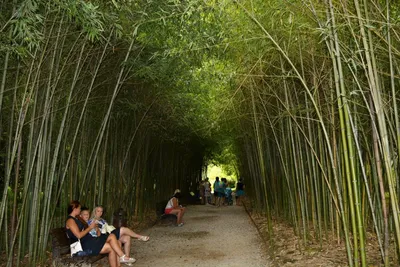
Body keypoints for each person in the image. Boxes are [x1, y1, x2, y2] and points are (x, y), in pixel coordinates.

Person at [65, 200, 135, 266]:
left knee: (112, 238)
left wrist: (96, 229)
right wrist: (90, 227)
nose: (80, 210)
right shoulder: (70, 220)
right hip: (84, 245)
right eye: (79, 208)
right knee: (111, 240)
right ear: (75, 209)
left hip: (90, 240)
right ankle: (123, 256)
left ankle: (122, 257)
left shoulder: (77, 218)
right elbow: (78, 235)